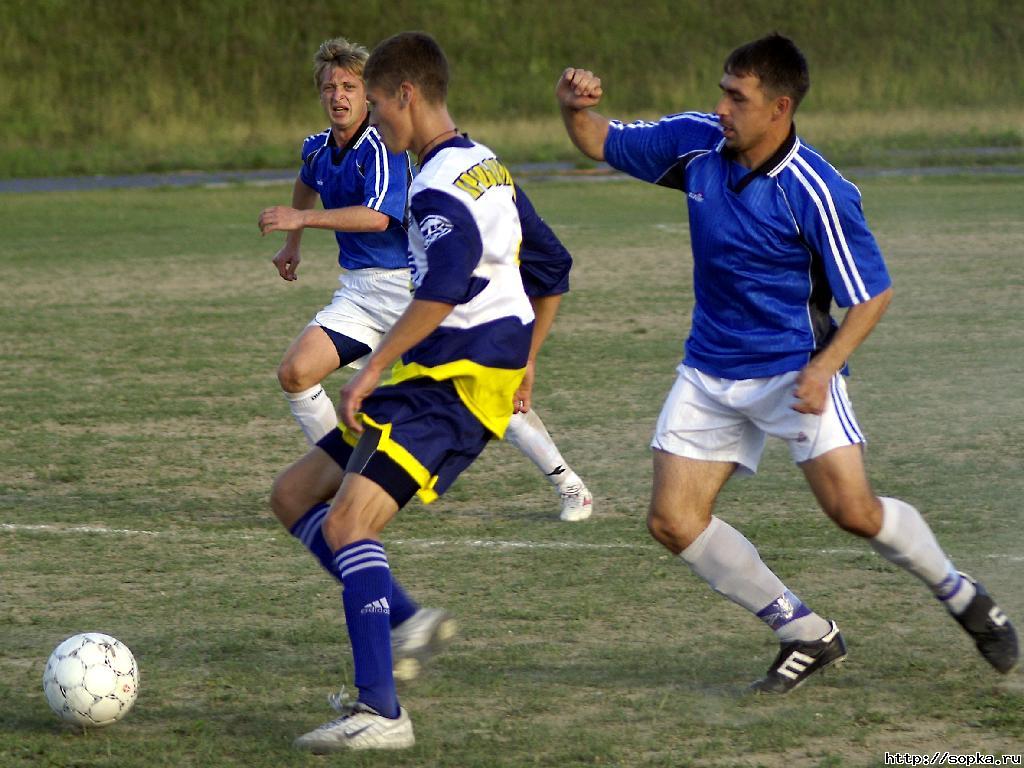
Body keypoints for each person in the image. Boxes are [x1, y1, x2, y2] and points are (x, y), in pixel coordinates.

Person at [556, 33, 1017, 693]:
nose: (721, 107)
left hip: (794, 369)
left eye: (736, 97)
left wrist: (826, 367)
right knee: (672, 520)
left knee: (854, 512)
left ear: (778, 108)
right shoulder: (697, 144)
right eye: (721, 90)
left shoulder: (817, 190)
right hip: (710, 367)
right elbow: (600, 139)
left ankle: (959, 591)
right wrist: (574, 108)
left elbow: (870, 294)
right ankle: (803, 630)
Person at [271, 30, 547, 751]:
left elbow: (449, 281)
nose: (379, 127)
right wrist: (528, 357)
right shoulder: (487, 165)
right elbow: (551, 263)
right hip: (436, 379)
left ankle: (381, 712)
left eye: (380, 108)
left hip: (451, 387)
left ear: (404, 96)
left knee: (346, 525)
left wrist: (369, 367)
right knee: (294, 497)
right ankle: (407, 619)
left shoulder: (432, 184)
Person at [259, 37, 593, 521]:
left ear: (395, 95)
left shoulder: (396, 154)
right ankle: (355, 478)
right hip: (358, 291)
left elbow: (383, 223)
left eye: (355, 90)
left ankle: (567, 481)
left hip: (409, 292)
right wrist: (292, 241)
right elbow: (309, 180)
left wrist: (300, 222)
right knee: (295, 372)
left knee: (489, 391)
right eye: (330, 88)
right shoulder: (320, 147)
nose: (342, 99)